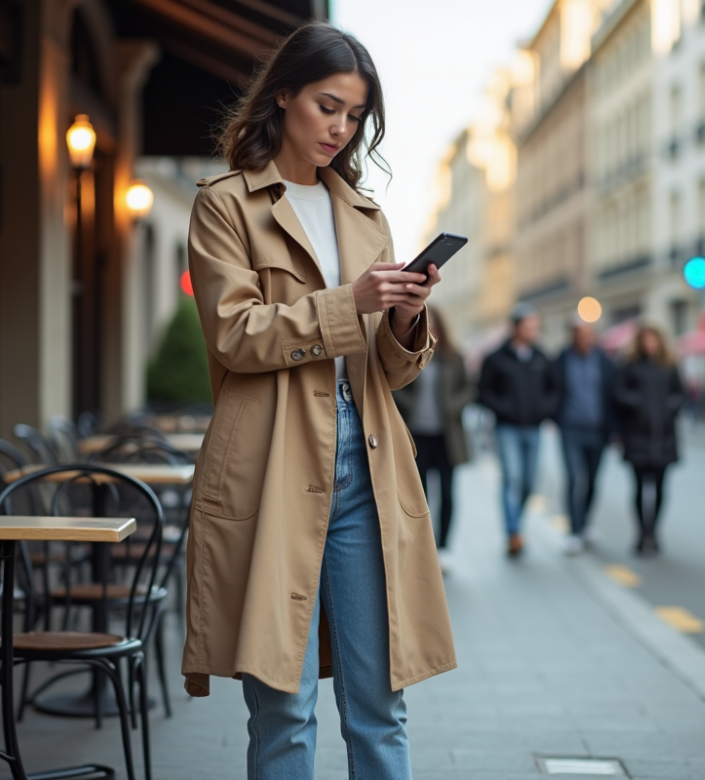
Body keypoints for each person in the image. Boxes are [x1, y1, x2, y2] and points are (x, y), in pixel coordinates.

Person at [184, 24, 455, 779]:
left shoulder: (365, 216)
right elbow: (234, 336)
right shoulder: (226, 206)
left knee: (380, 706)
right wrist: (349, 302)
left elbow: (386, 374)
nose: (340, 128)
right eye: (327, 106)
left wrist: (404, 320)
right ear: (283, 96)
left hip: (367, 467)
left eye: (355, 115)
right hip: (271, 464)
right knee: (283, 705)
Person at [393, 307, 473, 573]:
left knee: (448, 493)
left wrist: (453, 405)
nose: (430, 330)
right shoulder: (410, 355)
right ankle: (423, 548)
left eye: (434, 325)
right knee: (421, 495)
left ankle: (444, 548)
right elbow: (395, 385)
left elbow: (468, 388)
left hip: (446, 437)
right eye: (425, 325)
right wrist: (410, 405)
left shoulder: (454, 358)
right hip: (417, 436)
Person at [478, 304, 559, 556]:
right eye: (529, 326)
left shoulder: (541, 358)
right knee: (511, 477)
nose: (534, 331)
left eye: (536, 327)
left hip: (534, 428)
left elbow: (554, 389)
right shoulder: (496, 358)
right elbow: (483, 392)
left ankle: (517, 524)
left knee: (529, 481)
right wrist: (504, 409)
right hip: (507, 429)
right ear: (516, 327)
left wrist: (544, 410)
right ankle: (513, 531)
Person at [613, 324, 685, 556]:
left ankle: (653, 531)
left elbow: (679, 394)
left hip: (663, 436)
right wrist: (639, 405)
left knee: (661, 488)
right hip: (638, 436)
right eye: (646, 340)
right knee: (638, 488)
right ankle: (641, 532)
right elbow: (619, 393)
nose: (650, 344)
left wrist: (667, 409)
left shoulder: (668, 366)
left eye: (653, 340)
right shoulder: (630, 366)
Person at [553, 316, 617, 555]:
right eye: (579, 334)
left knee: (592, 480)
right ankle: (574, 530)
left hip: (598, 430)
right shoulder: (561, 360)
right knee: (574, 478)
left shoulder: (604, 361)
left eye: (588, 334)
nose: (584, 339)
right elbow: (551, 388)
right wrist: (554, 415)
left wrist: (615, 429)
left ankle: (585, 523)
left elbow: (613, 394)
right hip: (570, 428)